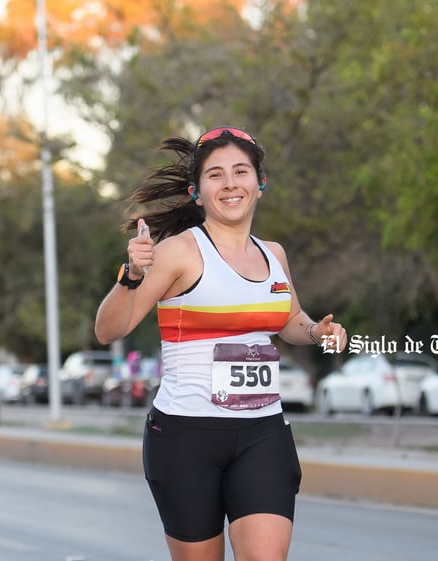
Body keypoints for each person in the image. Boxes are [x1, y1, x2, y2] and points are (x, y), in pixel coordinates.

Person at [95, 126, 348, 561]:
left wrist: (316, 332)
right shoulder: (179, 252)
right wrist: (131, 276)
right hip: (184, 435)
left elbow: (289, 319)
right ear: (197, 191)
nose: (230, 183)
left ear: (259, 184)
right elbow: (108, 330)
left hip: (262, 430)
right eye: (215, 175)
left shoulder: (274, 254)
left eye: (241, 171)